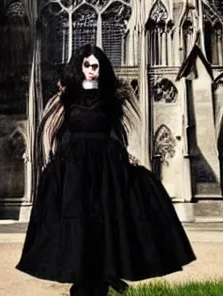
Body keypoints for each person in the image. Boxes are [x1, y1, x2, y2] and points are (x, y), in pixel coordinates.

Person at [16, 44, 196, 295]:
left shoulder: (111, 99)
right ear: (79, 67)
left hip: (105, 167)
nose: (91, 69)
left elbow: (116, 133)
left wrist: (127, 156)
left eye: (96, 65)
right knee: (77, 221)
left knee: (107, 219)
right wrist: (53, 158)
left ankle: (103, 277)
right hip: (75, 167)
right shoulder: (67, 98)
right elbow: (57, 131)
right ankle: (82, 281)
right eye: (87, 65)